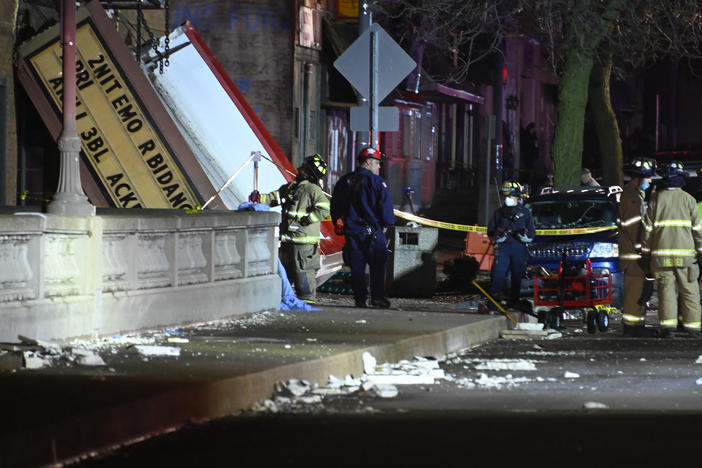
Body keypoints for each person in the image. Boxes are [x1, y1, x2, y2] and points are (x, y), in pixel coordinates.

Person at [250, 154, 330, 304]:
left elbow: (325, 208)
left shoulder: (313, 190)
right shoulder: (291, 188)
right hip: (287, 240)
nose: (299, 169)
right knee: (284, 272)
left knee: (303, 272)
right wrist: (259, 198)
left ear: (309, 172)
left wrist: (308, 219)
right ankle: (281, 300)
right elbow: (273, 198)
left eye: (304, 167)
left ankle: (307, 301)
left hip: (304, 243)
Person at [640, 161, 702, 338]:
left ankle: (667, 329)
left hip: (661, 257)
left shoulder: (656, 200)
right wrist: (701, 251)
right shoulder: (689, 200)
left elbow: (647, 231)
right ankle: (693, 328)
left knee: (666, 291)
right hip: (686, 258)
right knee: (690, 291)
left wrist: (645, 253)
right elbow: (697, 231)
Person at [330, 147, 395, 308]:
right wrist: (385, 226)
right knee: (378, 267)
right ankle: (377, 298)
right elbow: (385, 208)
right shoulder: (378, 183)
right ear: (368, 162)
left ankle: (360, 299)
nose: (378, 167)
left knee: (357, 268)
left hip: (352, 232)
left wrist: (339, 223)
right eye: (377, 163)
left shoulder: (344, 181)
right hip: (373, 233)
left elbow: (335, 207)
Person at [618, 157, 657, 337]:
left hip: (632, 253)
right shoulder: (633, 198)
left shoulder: (634, 195)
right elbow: (635, 229)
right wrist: (643, 250)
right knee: (635, 290)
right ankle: (632, 327)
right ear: (638, 178)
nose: (650, 181)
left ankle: (636, 324)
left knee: (639, 289)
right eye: (648, 178)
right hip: (634, 255)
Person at [487, 180, 536, 308]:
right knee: (498, 274)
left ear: (516, 197)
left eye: (509, 196)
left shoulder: (525, 213)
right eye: (506, 197)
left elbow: (531, 232)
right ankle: (494, 302)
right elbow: (491, 231)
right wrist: (497, 238)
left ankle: (513, 301)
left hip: (518, 248)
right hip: (503, 249)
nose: (507, 199)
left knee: (517, 277)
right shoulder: (499, 212)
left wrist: (525, 238)